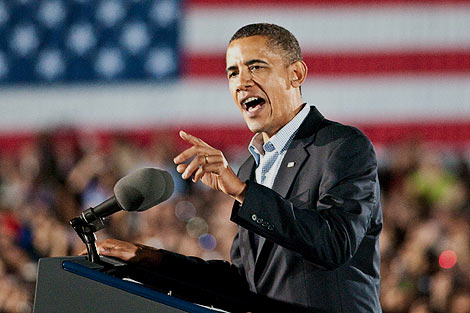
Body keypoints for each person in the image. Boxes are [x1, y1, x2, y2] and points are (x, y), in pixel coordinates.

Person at [93, 23, 383, 312]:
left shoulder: (342, 146)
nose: (241, 82)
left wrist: (244, 192)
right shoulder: (251, 168)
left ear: (295, 74)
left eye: (255, 67)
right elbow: (245, 284)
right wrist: (150, 260)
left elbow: (335, 244)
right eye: (233, 73)